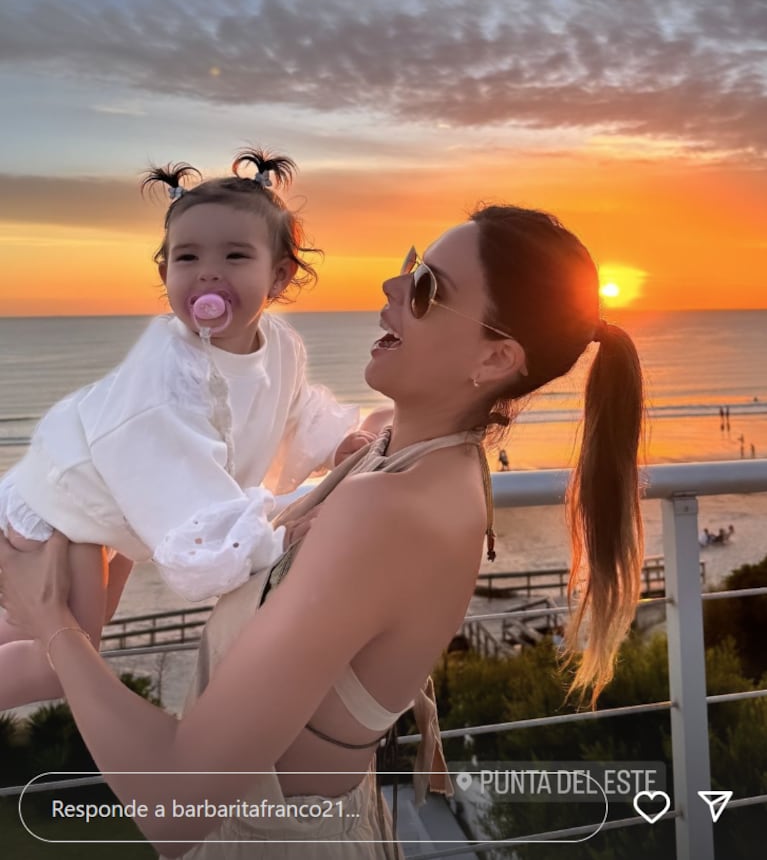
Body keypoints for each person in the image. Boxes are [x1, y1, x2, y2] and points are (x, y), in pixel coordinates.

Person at [0, 204, 646, 857]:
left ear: (493, 359)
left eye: (426, 289)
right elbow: (335, 439)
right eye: (408, 266)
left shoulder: (387, 513)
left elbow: (177, 804)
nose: (392, 288)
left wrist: (55, 625)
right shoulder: (416, 456)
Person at [0, 148, 381, 713]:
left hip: (113, 515)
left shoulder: (280, 346)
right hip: (63, 508)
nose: (208, 272)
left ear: (279, 276)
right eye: (187, 257)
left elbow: (292, 408)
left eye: (234, 255)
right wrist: (269, 541)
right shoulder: (166, 375)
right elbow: (183, 487)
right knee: (65, 656)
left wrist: (335, 443)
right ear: (165, 274)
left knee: (50, 629)